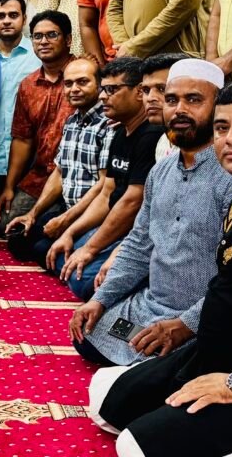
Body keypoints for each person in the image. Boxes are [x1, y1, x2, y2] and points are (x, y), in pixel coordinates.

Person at [88, 80, 232, 457]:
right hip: (205, 342)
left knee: (135, 445)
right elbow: (139, 243)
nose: (231, 138)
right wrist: (100, 299)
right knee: (108, 403)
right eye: (222, 127)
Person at [69, 60, 232, 367]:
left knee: (187, 355)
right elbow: (138, 245)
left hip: (204, 316)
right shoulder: (160, 172)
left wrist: (186, 324)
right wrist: (100, 300)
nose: (179, 110)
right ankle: (150, 354)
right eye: (172, 100)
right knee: (91, 331)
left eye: (194, 100)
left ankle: (164, 356)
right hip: (151, 308)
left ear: (219, 108)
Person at [47, 57, 165, 300]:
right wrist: (70, 233)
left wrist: (91, 248)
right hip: (114, 224)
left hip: (136, 232)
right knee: (59, 255)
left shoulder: (151, 136)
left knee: (82, 280)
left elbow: (132, 202)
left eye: (111, 90)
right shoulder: (120, 132)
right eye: (103, 89)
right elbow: (106, 194)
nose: (102, 97)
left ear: (138, 93)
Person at [4, 58, 113, 263]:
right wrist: (33, 214)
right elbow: (59, 171)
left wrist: (65, 220)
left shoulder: (108, 124)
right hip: (68, 208)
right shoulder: (72, 121)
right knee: (17, 241)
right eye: (69, 84)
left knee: (43, 252)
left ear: (99, 85)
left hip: (93, 214)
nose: (74, 89)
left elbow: (103, 185)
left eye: (83, 82)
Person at [0, 10, 77, 231]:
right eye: (38, 36)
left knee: (43, 230)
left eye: (52, 35)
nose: (44, 41)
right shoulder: (28, 85)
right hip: (40, 178)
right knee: (7, 225)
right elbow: (23, 139)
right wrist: (9, 187)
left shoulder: (83, 77)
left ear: (68, 40)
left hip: (77, 176)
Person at [0, 0, 41, 189]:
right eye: (0, 16)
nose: (7, 21)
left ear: (24, 19)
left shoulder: (39, 55)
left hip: (31, 159)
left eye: (13, 15)